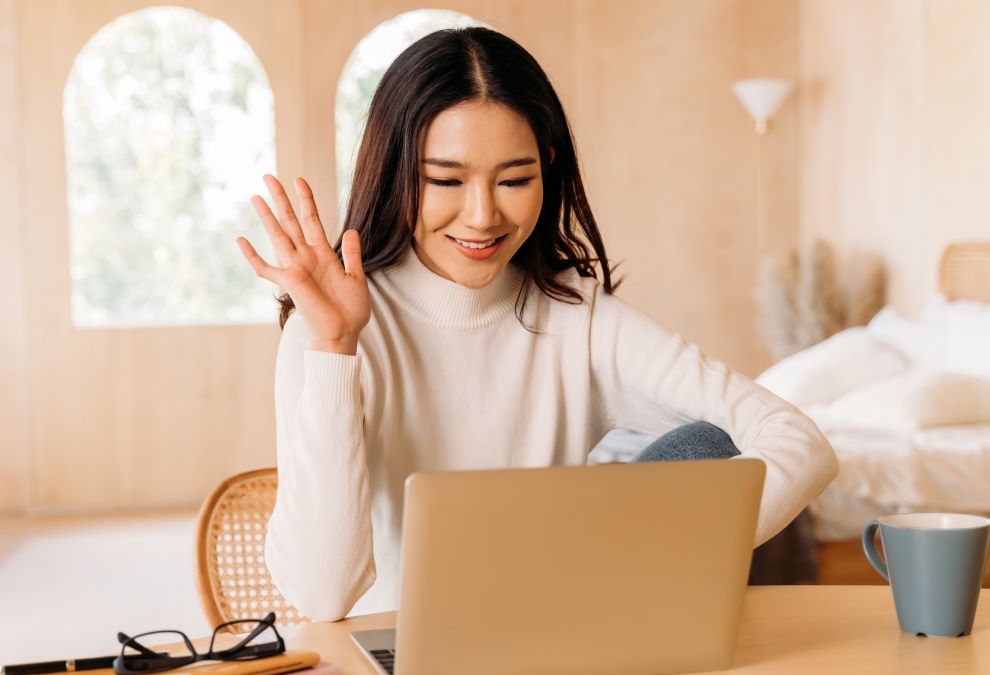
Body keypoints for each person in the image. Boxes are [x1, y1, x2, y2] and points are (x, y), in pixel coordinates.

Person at [236, 27, 838, 621]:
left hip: (548, 644)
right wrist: (335, 347)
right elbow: (322, 594)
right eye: (446, 180)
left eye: (514, 180)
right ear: (398, 173)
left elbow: (799, 441)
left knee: (709, 446)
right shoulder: (329, 331)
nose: (482, 216)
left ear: (546, 168)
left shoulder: (579, 317)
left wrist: (639, 556)